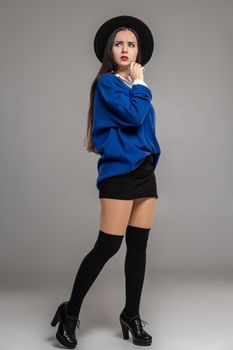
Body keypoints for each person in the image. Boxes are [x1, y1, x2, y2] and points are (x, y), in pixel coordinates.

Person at [50, 15, 161, 349]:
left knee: (138, 246)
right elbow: (132, 116)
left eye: (131, 44)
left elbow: (146, 131)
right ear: (109, 50)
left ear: (138, 50)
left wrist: (151, 157)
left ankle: (131, 314)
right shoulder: (109, 84)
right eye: (119, 43)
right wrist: (141, 84)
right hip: (118, 175)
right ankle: (70, 313)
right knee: (108, 246)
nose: (125, 49)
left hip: (144, 174)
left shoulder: (134, 88)